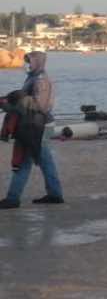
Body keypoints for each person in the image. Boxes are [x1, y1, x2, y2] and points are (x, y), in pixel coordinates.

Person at [0, 51, 63, 207]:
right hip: (33, 125)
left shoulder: (41, 81)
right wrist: (11, 100)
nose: (26, 64)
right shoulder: (33, 78)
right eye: (26, 61)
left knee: (25, 161)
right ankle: (55, 194)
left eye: (29, 61)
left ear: (37, 62)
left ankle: (13, 198)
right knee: (42, 161)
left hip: (36, 126)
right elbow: (27, 103)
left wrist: (15, 101)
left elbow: (41, 106)